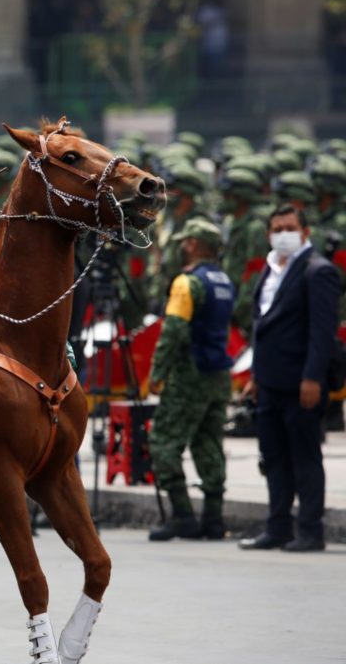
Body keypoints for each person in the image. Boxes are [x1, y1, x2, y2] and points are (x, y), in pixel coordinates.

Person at [239, 204, 341, 552]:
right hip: (269, 382)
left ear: (305, 232)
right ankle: (278, 526)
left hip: (302, 383)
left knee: (304, 457)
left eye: (289, 227)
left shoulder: (318, 271)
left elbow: (322, 332)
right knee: (274, 457)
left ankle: (311, 530)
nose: (282, 234)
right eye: (277, 228)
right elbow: (262, 327)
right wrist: (256, 376)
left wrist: (313, 377)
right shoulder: (270, 269)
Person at [147, 218, 234, 541]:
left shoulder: (187, 282)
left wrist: (158, 373)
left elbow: (174, 331)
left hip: (189, 375)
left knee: (164, 442)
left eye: (186, 241)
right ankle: (213, 519)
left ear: (195, 244)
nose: (182, 246)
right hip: (218, 376)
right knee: (209, 444)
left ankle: (182, 516)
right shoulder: (223, 280)